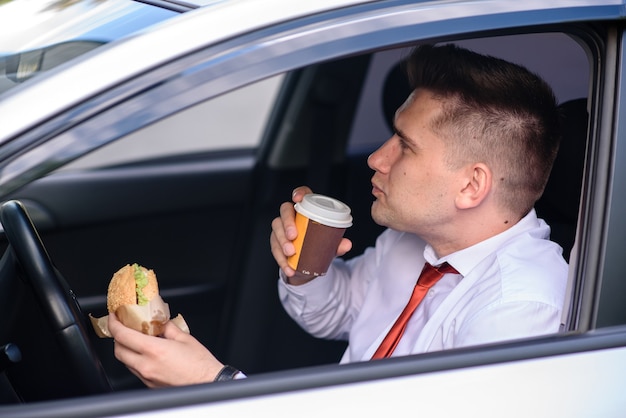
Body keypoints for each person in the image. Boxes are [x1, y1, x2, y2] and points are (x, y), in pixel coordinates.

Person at [108, 43, 568, 386]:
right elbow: (340, 313)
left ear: (471, 186)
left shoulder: (517, 312)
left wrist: (215, 387)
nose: (376, 159)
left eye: (404, 146)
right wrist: (305, 270)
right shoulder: (415, 243)